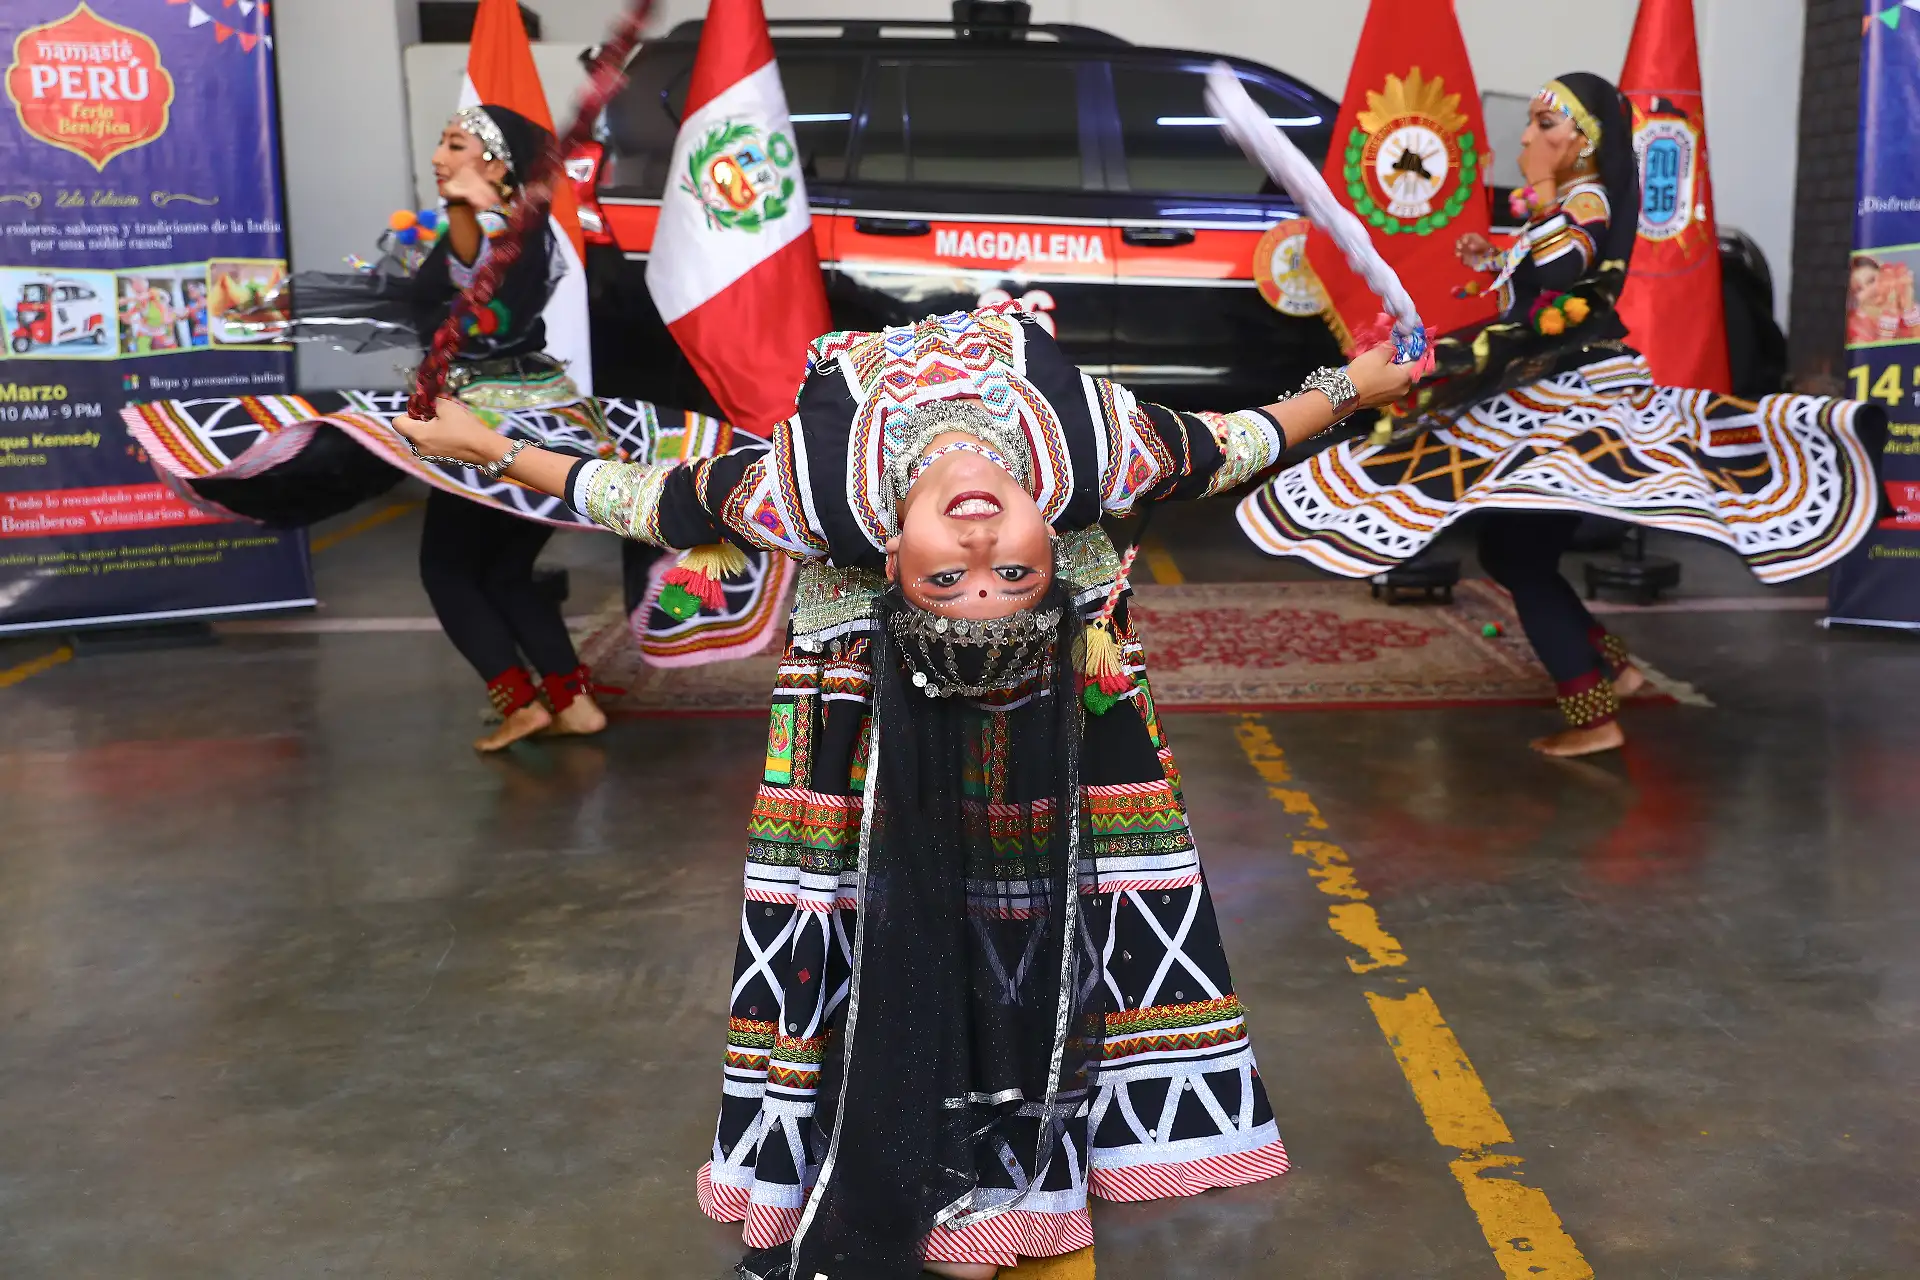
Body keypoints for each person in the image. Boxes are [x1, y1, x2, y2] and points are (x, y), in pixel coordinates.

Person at [390, 300, 1417, 1279]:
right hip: (1050, 711)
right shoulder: (1098, 454)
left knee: (918, 908)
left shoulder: (809, 495)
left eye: (950, 583)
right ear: (1054, 549)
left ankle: (964, 1122)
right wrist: (1358, 382)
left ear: (889, 562)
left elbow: (647, 500)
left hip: (866, 717)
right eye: (1012, 579)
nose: (980, 556)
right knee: (1037, 881)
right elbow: (1235, 439)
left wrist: (485, 446)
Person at [1238, 73, 1884, 758]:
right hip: (1548, 391)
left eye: (1547, 124)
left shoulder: (1584, 200)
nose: (1525, 135)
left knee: (1519, 556)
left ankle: (1594, 716)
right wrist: (1500, 254)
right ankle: (1615, 670)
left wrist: (1534, 229)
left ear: (1584, 142)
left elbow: (1566, 271)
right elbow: (1550, 277)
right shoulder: (1568, 204)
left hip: (1570, 403)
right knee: (1515, 554)